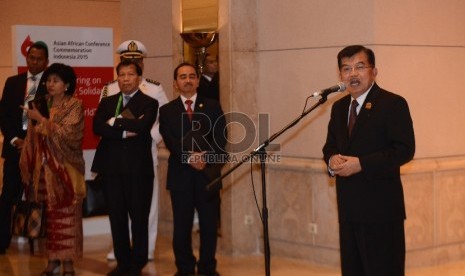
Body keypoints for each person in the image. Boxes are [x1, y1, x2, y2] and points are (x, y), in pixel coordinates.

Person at [322, 45, 415, 276]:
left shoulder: (392, 104)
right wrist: (332, 160)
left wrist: (361, 163)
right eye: (346, 68)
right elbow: (330, 145)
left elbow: (404, 150)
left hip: (381, 211)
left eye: (360, 67)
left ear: (374, 71)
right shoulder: (339, 107)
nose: (353, 74)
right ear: (340, 75)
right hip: (348, 209)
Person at [100, 40, 168, 262]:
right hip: (116, 155)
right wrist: (123, 127)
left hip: (144, 152)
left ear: (141, 65)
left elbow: (163, 120)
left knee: (144, 208)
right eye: (125, 62)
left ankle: (145, 249)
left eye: (136, 61)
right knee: (118, 208)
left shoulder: (154, 89)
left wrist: (148, 136)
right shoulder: (110, 89)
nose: (130, 68)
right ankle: (120, 250)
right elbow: (100, 124)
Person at [159, 63, 227, 276]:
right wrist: (189, 157)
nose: (187, 80)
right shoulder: (167, 110)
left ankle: (207, 267)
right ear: (175, 83)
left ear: (198, 80)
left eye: (191, 76)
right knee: (181, 227)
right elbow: (171, 140)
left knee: (208, 226)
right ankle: (185, 267)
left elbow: (221, 137)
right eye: (182, 77)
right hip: (181, 176)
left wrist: (205, 157)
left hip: (208, 175)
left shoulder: (213, 106)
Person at [92, 59, 159, 276]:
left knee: (139, 217)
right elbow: (97, 127)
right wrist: (121, 130)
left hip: (138, 170)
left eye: (130, 74)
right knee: (117, 217)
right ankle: (123, 263)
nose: (126, 79)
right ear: (117, 78)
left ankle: (137, 264)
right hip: (112, 170)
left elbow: (142, 126)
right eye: (122, 75)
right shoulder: (108, 101)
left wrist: (113, 122)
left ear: (139, 78)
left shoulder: (149, 102)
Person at [19, 63, 85, 275]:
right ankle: (53, 260)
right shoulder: (40, 103)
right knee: (49, 218)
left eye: (55, 81)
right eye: (48, 80)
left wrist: (43, 122)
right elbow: (31, 138)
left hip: (65, 172)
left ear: (66, 85)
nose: (50, 84)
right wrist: (27, 163)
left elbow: (71, 135)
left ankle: (68, 263)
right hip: (42, 171)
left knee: (66, 218)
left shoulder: (75, 105)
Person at [0, 41, 49, 255]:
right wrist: (14, 140)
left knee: (39, 197)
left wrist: (32, 143)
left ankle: (41, 239)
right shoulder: (13, 82)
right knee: (8, 194)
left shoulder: (51, 84)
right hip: (14, 148)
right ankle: (2, 240)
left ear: (46, 62)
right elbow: (3, 116)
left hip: (40, 149)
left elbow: (50, 119)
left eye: (39, 59)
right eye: (31, 58)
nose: (34, 62)